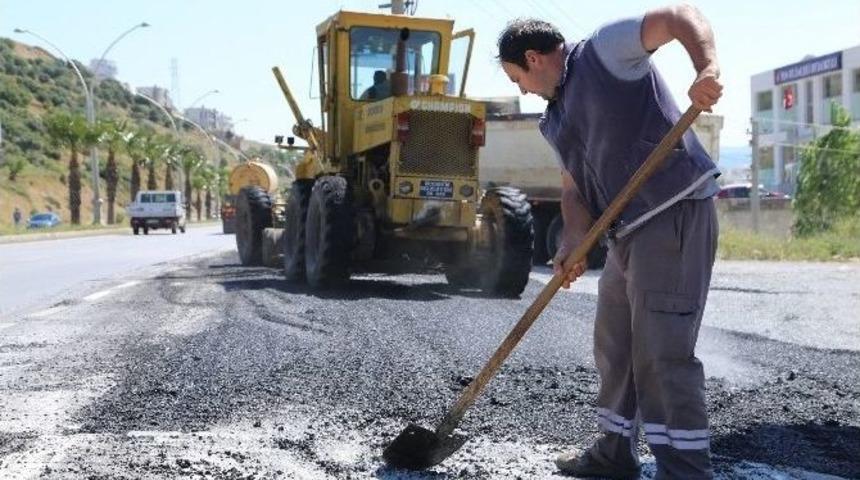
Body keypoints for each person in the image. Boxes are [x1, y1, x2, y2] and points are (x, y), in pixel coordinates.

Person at [497, 5, 722, 480]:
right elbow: (574, 190)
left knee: (662, 348)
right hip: (626, 232)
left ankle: (684, 469)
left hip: (673, 212)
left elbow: (679, 15)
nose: (518, 89)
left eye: (516, 77)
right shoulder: (553, 119)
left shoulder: (605, 52)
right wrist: (572, 242)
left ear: (534, 58)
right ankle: (614, 454)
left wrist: (707, 68)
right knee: (615, 344)